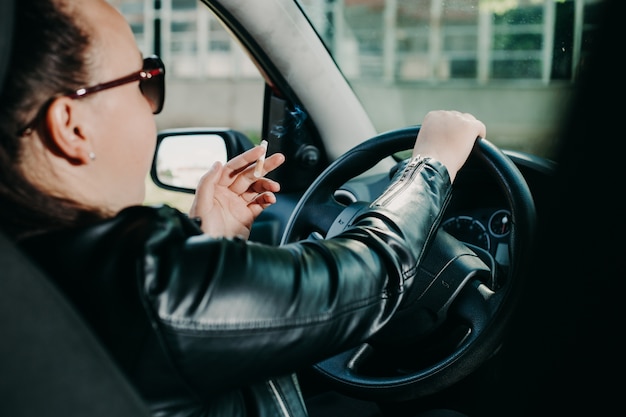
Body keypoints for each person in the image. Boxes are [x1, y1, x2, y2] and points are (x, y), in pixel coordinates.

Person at [0, 0, 486, 416]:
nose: (152, 104)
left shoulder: (34, 261)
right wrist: (431, 164)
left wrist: (210, 244)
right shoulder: (138, 272)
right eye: (143, 81)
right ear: (72, 125)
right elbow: (368, 278)